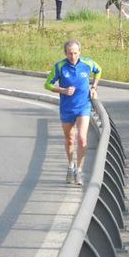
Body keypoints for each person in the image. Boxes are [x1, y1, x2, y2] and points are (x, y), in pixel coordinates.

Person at [45, 39, 101, 186]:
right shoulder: (60, 66)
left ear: (80, 52)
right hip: (66, 108)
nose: (73, 56)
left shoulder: (88, 63)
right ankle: (71, 166)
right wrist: (62, 90)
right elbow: (47, 84)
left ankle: (80, 170)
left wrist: (94, 87)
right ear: (65, 53)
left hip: (84, 106)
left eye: (75, 53)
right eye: (70, 53)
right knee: (70, 139)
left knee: (82, 139)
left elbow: (99, 70)